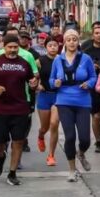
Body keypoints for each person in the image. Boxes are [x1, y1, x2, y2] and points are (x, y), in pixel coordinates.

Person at [0, 35, 39, 186]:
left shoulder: (24, 63)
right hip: (0, 108)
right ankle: (1, 157)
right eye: (10, 47)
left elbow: (32, 82)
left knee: (18, 141)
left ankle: (12, 173)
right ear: (4, 47)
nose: (13, 50)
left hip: (20, 107)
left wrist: (33, 84)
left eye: (15, 47)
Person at [50, 29, 98, 182]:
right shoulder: (58, 60)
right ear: (64, 41)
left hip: (83, 101)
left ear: (78, 42)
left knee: (85, 139)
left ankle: (81, 152)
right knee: (70, 137)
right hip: (64, 101)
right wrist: (55, 83)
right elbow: (51, 80)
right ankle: (72, 169)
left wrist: (88, 84)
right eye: (69, 39)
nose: (72, 42)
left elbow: (93, 77)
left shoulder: (86, 59)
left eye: (74, 39)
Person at [84, 24, 100, 154]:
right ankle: (98, 141)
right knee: (96, 116)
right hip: (93, 87)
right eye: (97, 33)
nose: (99, 35)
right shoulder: (86, 51)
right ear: (92, 35)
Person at [36, 37, 60, 166]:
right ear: (46, 47)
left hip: (58, 96)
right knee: (44, 127)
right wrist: (37, 85)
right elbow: (31, 76)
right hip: (44, 96)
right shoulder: (40, 61)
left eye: (55, 45)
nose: (52, 47)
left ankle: (51, 155)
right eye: (50, 45)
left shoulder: (62, 60)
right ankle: (40, 136)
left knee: (54, 124)